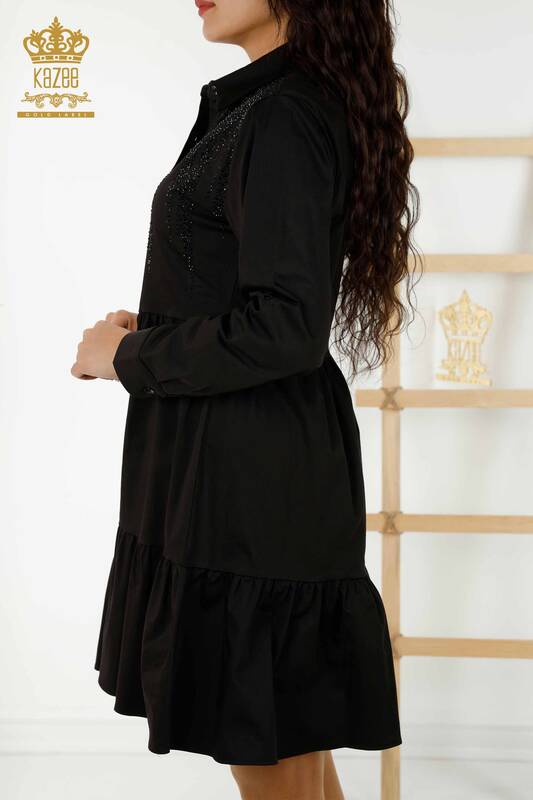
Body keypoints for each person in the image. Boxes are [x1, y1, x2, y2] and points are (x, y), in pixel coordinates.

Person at [71, 1, 421, 797]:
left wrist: (127, 356)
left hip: (251, 479)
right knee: (282, 755)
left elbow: (284, 327)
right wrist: (152, 329)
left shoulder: (284, 114)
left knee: (269, 752)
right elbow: (246, 293)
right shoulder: (262, 104)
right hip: (227, 463)